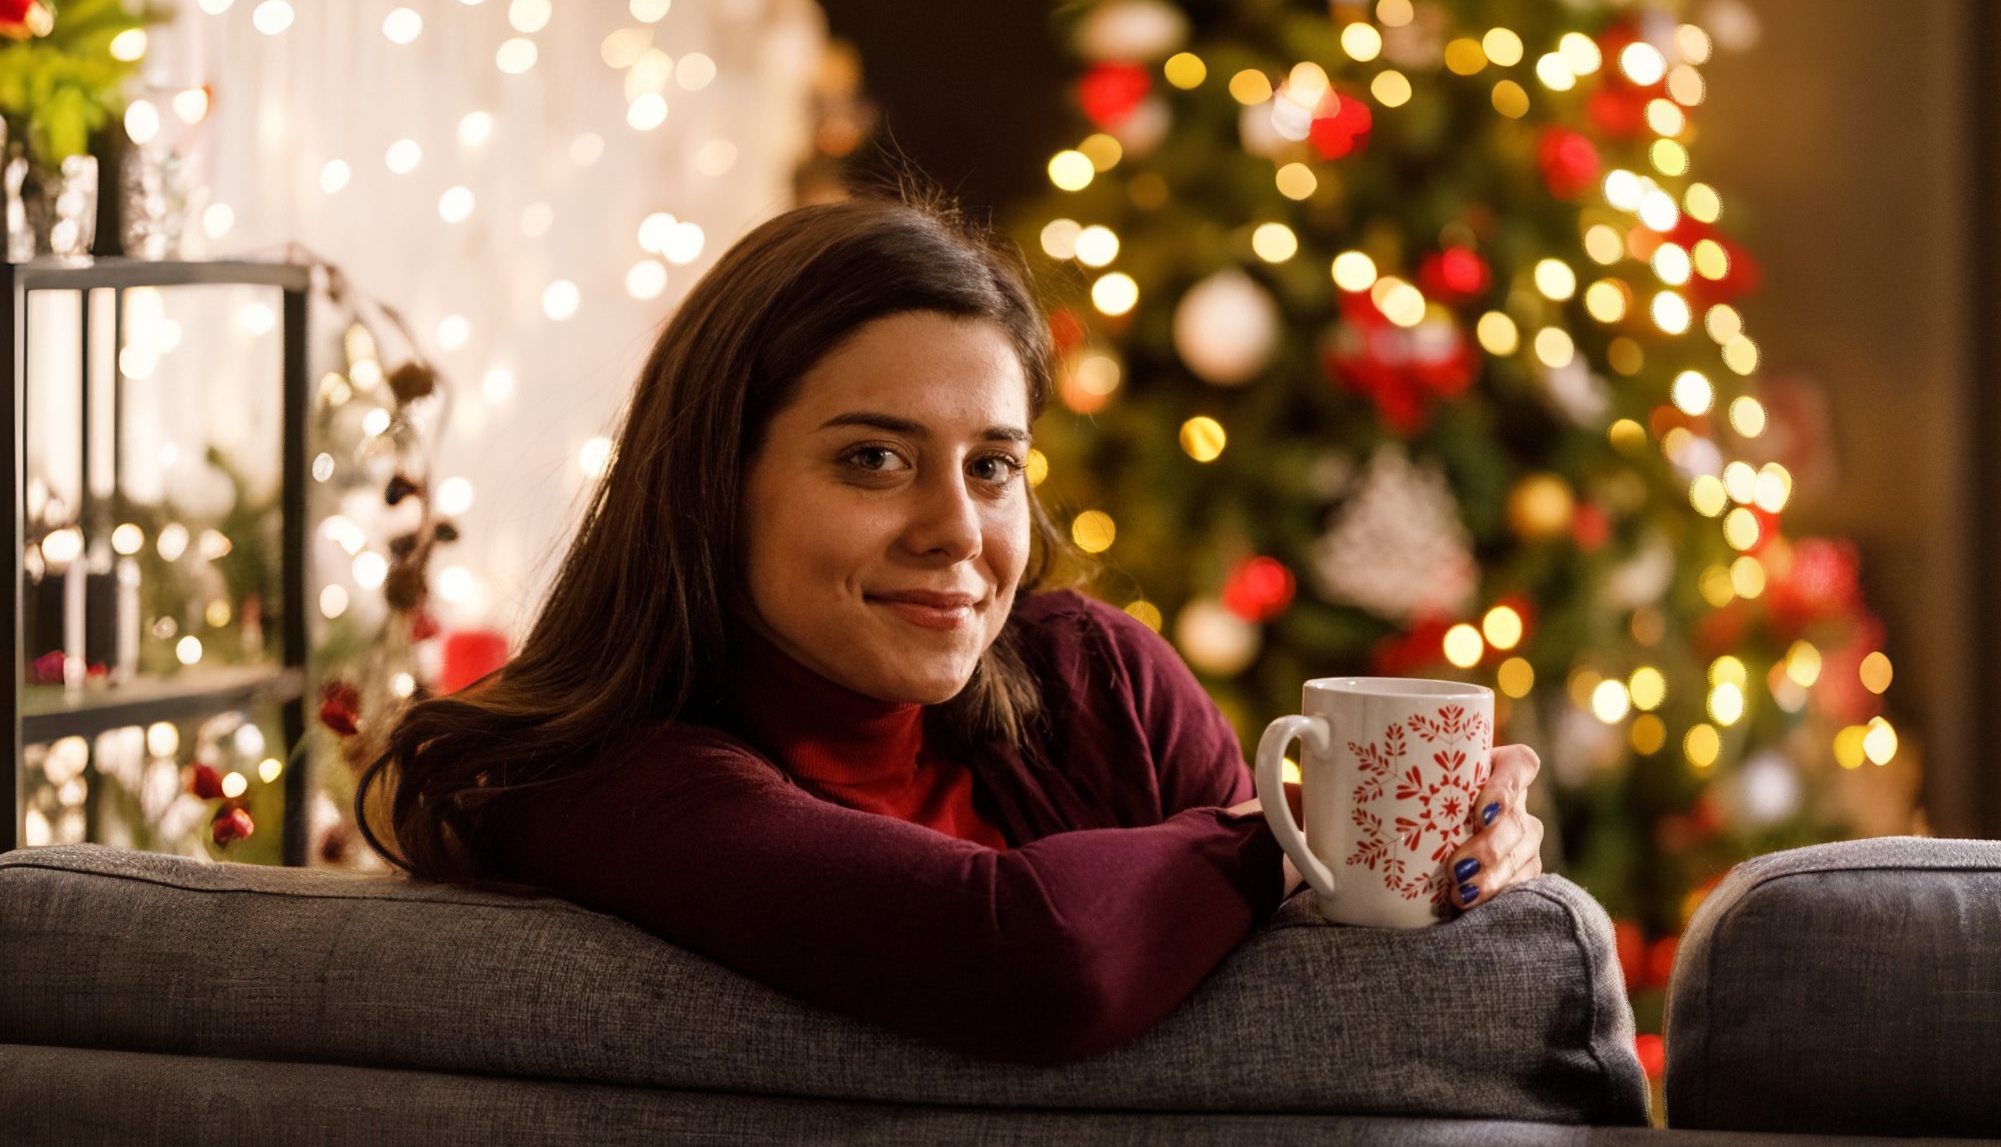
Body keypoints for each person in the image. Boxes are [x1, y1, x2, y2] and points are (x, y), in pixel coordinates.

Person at [353, 186, 1547, 1066]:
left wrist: (1432, 863)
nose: (956, 530)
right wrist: (1300, 828)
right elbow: (1037, 957)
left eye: (992, 466)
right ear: (714, 483)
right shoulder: (597, 784)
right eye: (873, 460)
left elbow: (1308, 1019)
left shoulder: (1100, 680)